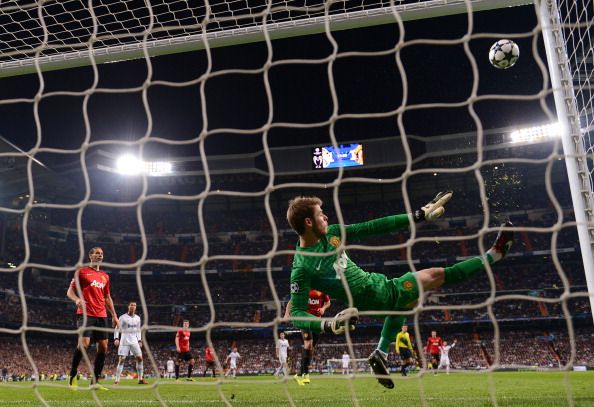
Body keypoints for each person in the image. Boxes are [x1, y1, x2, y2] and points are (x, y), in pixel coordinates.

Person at [286, 193, 514, 389]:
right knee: (437, 275)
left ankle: (381, 353)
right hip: (376, 294)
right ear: (308, 222)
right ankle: (495, 254)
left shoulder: (332, 234)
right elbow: (295, 314)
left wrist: (416, 216)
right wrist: (327, 325)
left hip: (378, 284)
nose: (325, 216)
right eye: (320, 214)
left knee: (411, 302)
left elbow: (372, 227)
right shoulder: (302, 268)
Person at [66, 247, 119, 390]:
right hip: (85, 314)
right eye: (97, 253)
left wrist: (114, 315)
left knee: (103, 347)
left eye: (102, 253)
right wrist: (77, 299)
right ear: (90, 256)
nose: (100, 255)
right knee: (84, 344)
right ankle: (72, 376)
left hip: (101, 314)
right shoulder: (81, 272)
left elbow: (107, 297)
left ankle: (95, 382)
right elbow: (70, 291)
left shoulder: (105, 276)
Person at [284, 289, 331, 385]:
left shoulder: (321, 289)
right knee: (308, 343)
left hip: (317, 322)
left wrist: (323, 309)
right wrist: (286, 314)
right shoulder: (303, 288)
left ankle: (300, 374)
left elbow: (328, 302)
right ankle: (306, 374)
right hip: (304, 319)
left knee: (311, 349)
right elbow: (292, 300)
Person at [113, 301, 149, 385]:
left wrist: (139, 340)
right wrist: (116, 338)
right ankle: (117, 380)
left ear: (136, 307)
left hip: (134, 341)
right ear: (128, 306)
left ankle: (140, 379)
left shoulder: (137, 318)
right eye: (131, 305)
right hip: (124, 341)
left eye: (134, 305)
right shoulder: (122, 317)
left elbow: (138, 330)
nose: (133, 306)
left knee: (140, 358)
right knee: (122, 360)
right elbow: (117, 328)